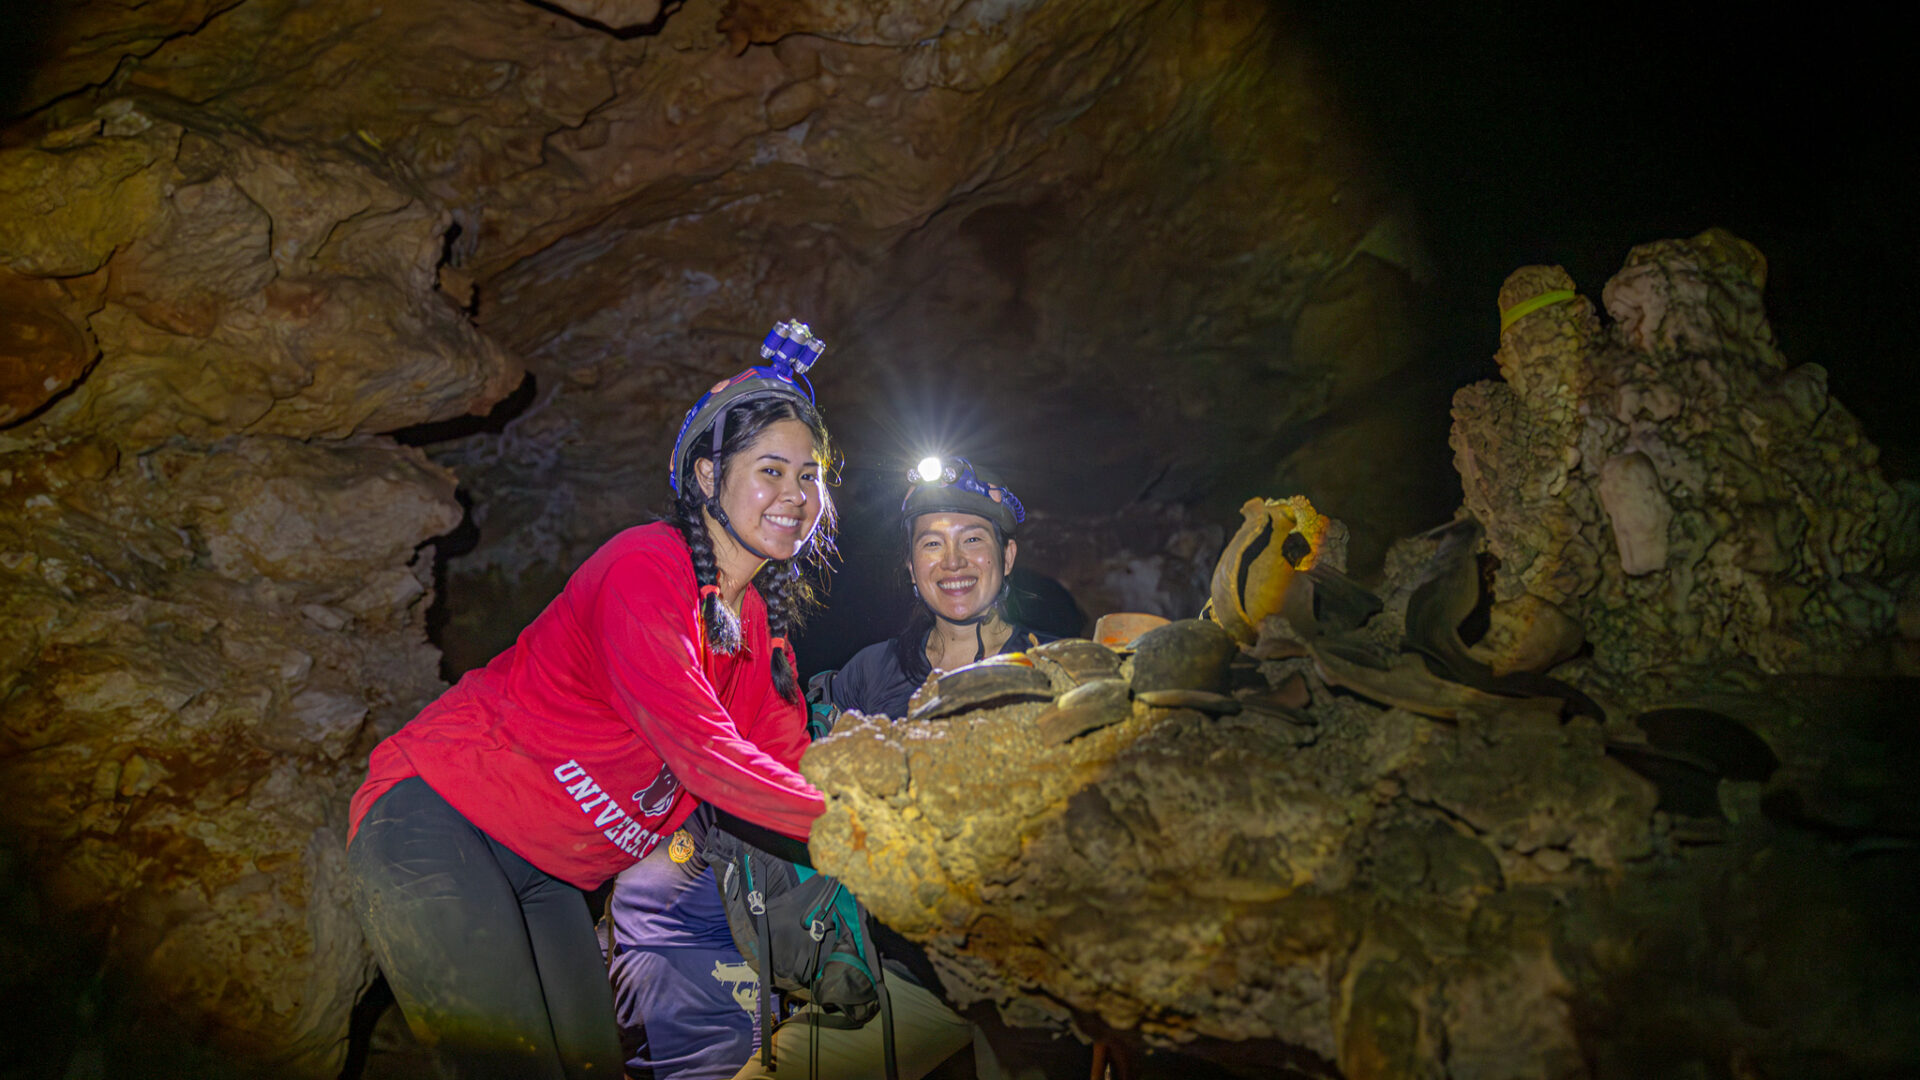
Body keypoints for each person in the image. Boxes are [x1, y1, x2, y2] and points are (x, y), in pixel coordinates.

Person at [345, 320, 837, 1080]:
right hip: (440, 819)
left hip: (551, 875)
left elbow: (795, 770)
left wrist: (916, 813)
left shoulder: (761, 640)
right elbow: (705, 755)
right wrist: (873, 833)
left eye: (810, 476)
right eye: (771, 470)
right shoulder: (644, 569)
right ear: (707, 476)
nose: (796, 496)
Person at [720, 456, 1058, 1080]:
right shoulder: (872, 673)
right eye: (932, 543)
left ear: (1007, 557)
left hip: (1034, 985)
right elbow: (790, 761)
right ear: (910, 565)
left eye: (972, 540)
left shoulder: (1055, 672)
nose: (952, 562)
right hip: (905, 977)